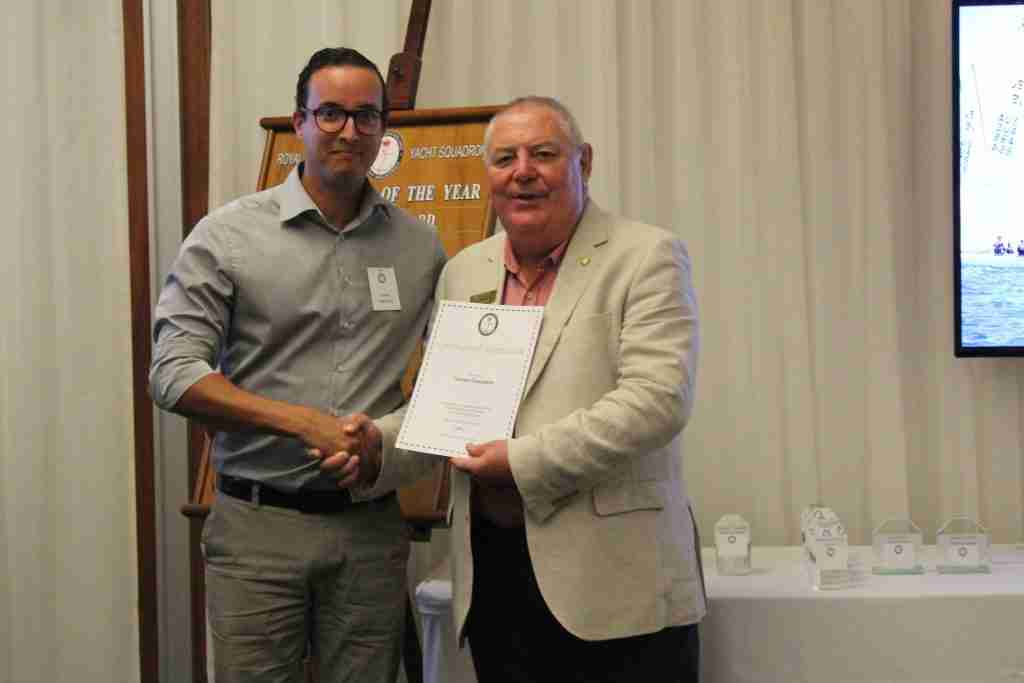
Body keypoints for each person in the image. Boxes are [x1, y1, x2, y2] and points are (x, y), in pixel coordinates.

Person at [149, 47, 445, 683]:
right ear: (299, 122)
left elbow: (448, 384)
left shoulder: (420, 246)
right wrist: (301, 423)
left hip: (370, 532)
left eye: (366, 116)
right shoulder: (227, 236)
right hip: (258, 529)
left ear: (384, 130)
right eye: (330, 113)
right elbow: (172, 372)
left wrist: (382, 443)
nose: (349, 131)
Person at [436, 96, 705, 683]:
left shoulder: (646, 255)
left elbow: (657, 401)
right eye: (504, 158)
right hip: (495, 579)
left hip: (617, 585)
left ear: (583, 162)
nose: (522, 172)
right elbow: (446, 400)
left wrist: (521, 461)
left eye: (543, 154)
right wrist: (372, 445)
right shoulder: (464, 270)